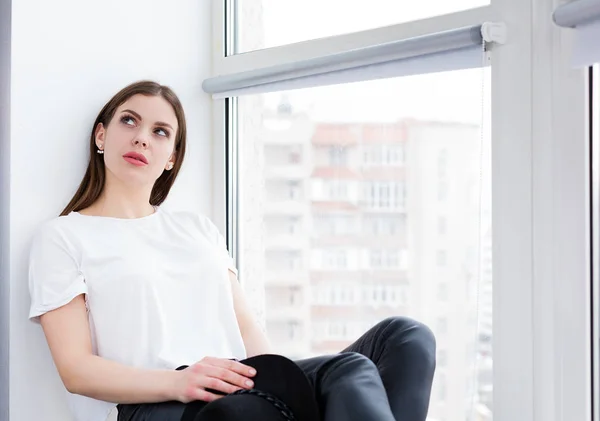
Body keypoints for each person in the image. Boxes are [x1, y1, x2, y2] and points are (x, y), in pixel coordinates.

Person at [28, 80, 437, 421]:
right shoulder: (64, 236)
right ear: (102, 135)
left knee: (398, 341)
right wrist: (180, 381)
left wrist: (287, 388)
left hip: (243, 385)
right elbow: (76, 370)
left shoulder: (197, 228)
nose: (141, 137)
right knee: (247, 413)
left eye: (160, 131)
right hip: (157, 404)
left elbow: (247, 329)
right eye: (129, 121)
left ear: (171, 158)